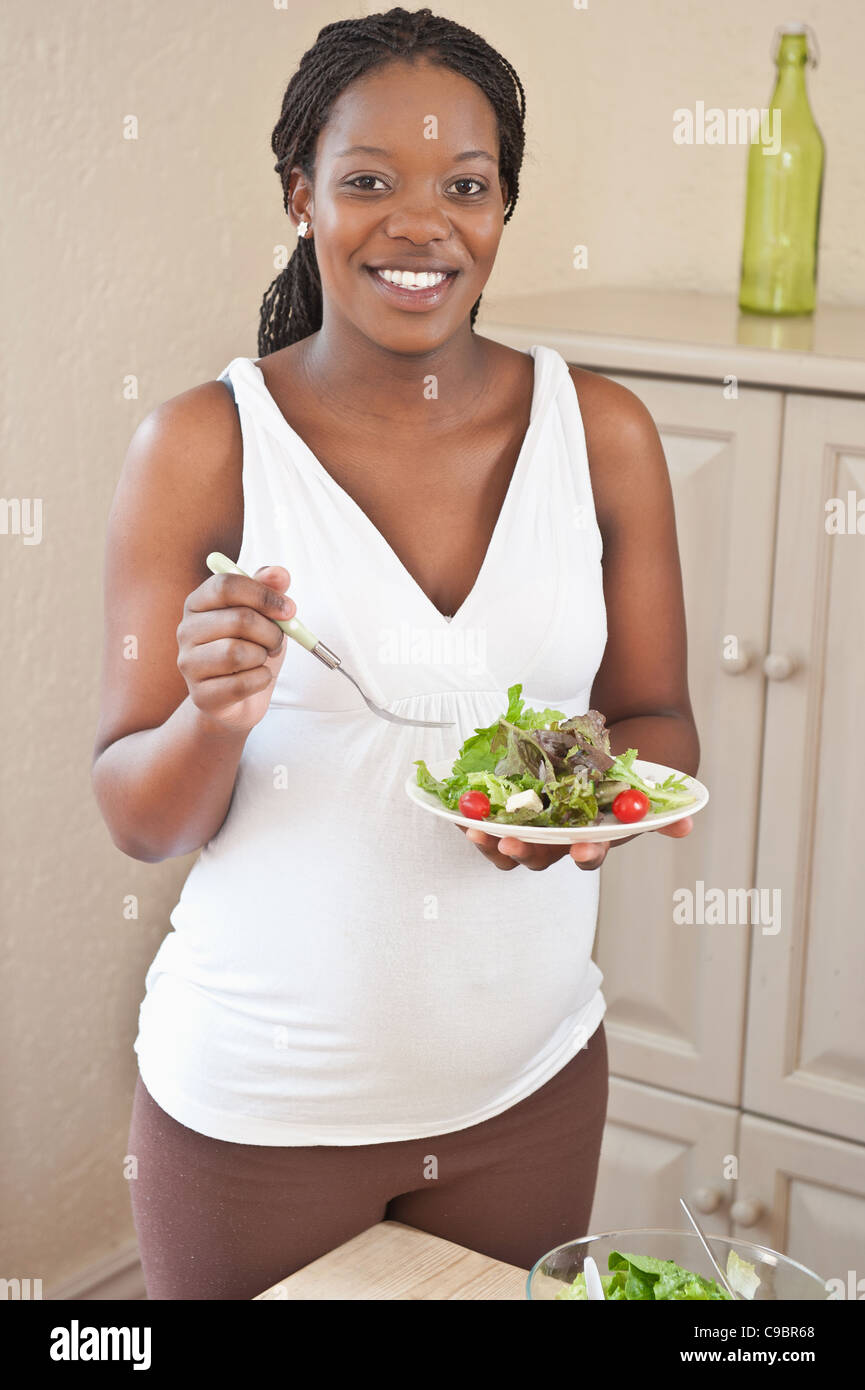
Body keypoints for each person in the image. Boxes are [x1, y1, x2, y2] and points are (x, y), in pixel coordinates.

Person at [92, 6, 698, 1300]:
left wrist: (583, 810)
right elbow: (138, 818)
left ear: (503, 207)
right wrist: (212, 714)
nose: (421, 225)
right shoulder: (200, 445)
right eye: (368, 182)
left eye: (464, 187)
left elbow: (655, 714)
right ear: (299, 196)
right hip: (260, 1114)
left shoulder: (602, 433)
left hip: (530, 1090)